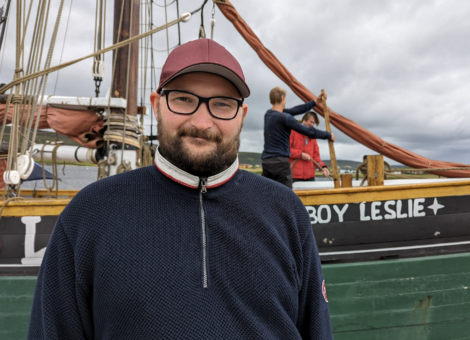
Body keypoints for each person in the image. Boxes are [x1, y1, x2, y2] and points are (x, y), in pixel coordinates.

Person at [28, 39, 333, 340]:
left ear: (242, 116)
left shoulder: (286, 211)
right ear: (156, 104)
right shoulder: (90, 214)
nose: (202, 122)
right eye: (183, 99)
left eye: (222, 104)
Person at [261, 86, 334, 189]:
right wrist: (328, 135)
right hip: (280, 163)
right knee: (286, 195)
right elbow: (307, 131)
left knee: (269, 192)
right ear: (282, 98)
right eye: (285, 99)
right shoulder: (285, 118)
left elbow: (295, 110)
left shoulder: (268, 114)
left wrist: (315, 102)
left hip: (266, 162)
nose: (286, 101)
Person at [289, 111, 330, 182]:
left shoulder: (313, 137)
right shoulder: (292, 132)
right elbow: (286, 150)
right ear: (304, 119)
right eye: (311, 122)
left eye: (313, 123)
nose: (312, 125)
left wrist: (322, 167)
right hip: (294, 176)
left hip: (310, 177)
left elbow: (315, 157)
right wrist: (300, 154)